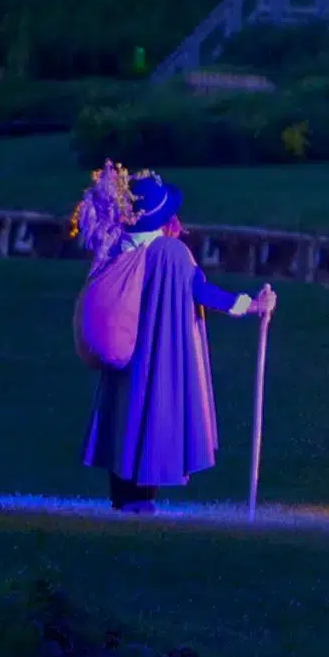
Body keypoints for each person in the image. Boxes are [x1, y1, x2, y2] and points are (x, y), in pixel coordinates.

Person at [72, 163, 276, 515]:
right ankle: (140, 501)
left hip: (123, 355)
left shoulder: (117, 246)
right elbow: (201, 290)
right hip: (154, 356)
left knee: (122, 417)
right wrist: (252, 305)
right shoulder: (169, 253)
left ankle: (123, 498)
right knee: (147, 415)